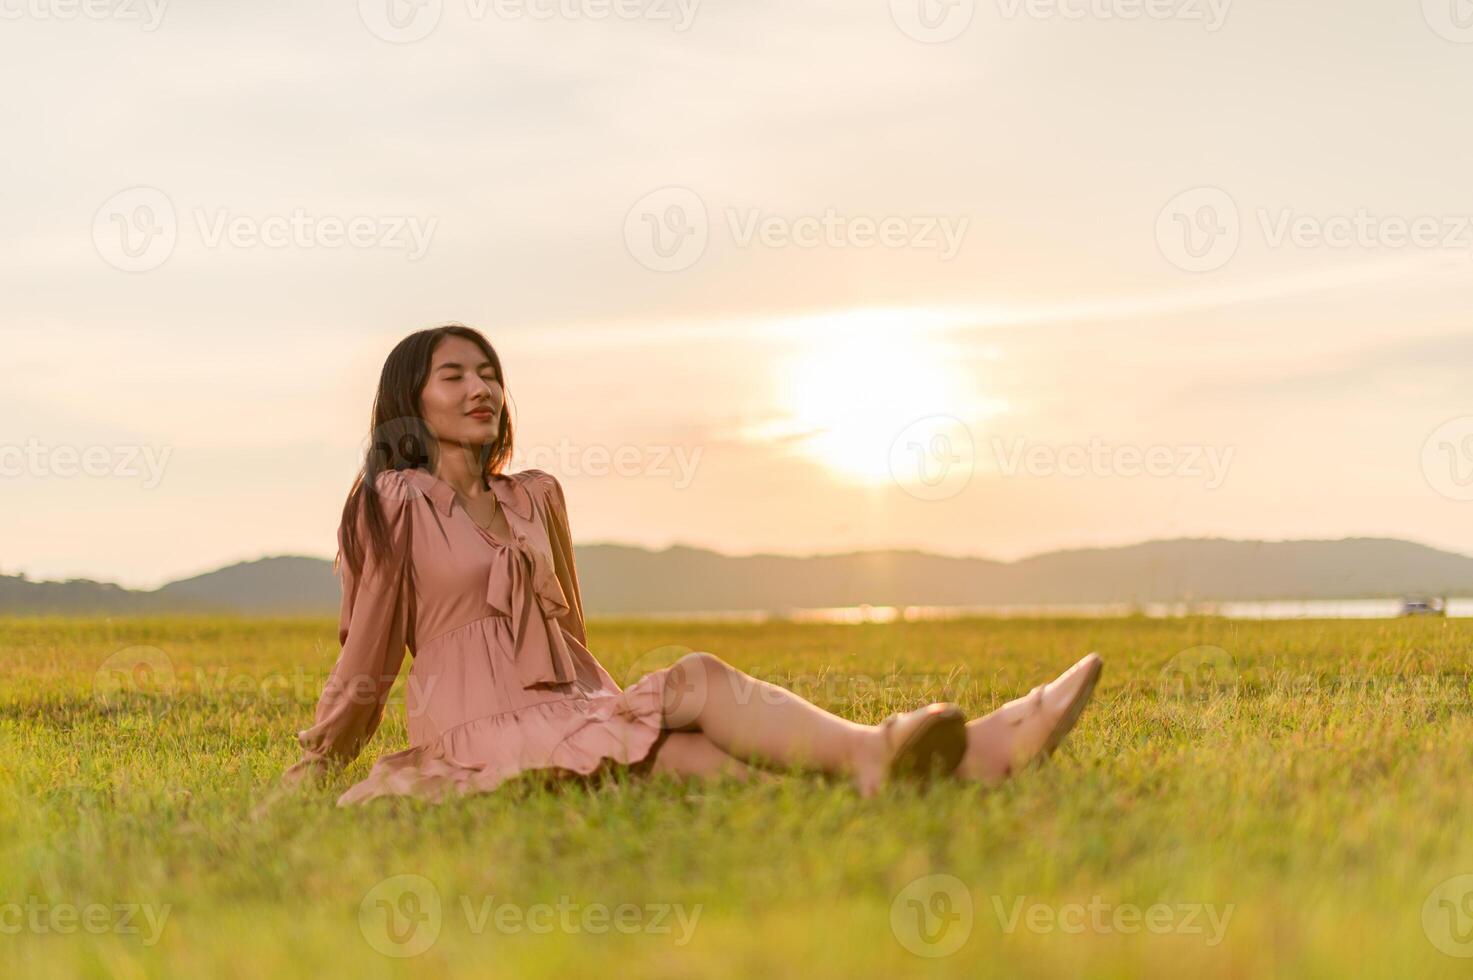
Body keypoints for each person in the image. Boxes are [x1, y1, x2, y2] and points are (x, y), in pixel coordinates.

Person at [278, 324, 1102, 807]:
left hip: (575, 710)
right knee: (700, 678)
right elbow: (368, 659)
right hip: (475, 739)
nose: (479, 388)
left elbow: (569, 633)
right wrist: (316, 764)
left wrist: (617, 713)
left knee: (691, 758)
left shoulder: (536, 496)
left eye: (489, 373)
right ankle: (902, 754)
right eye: (452, 375)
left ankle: (952, 766)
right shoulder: (391, 502)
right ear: (408, 400)